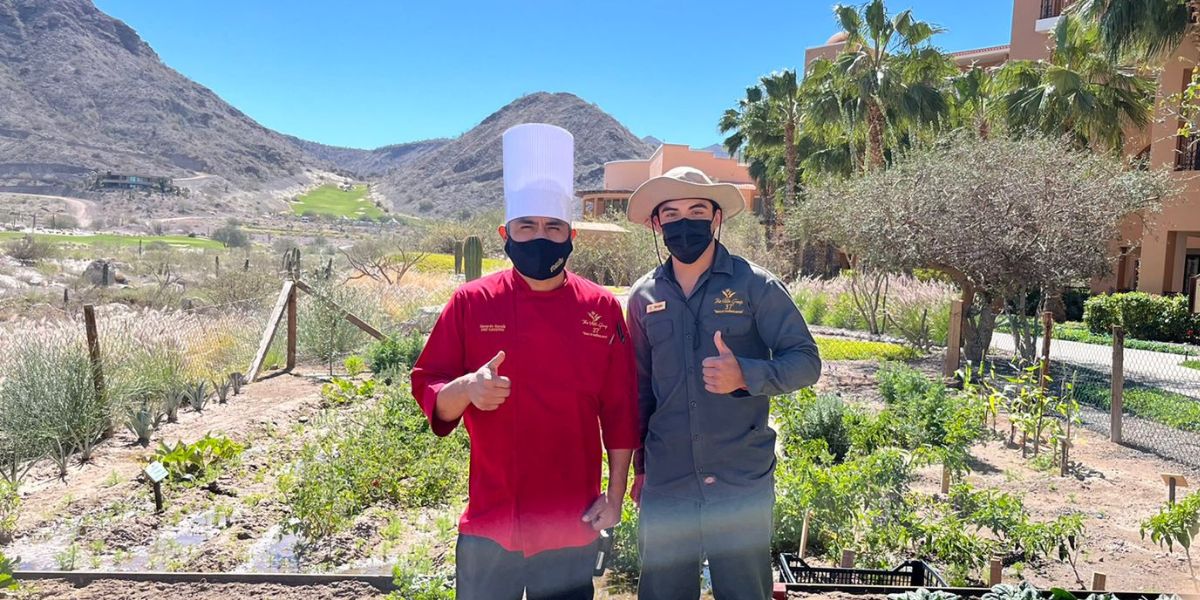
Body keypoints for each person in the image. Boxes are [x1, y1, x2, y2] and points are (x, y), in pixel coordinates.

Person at [411, 123, 639, 600]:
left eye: (553, 227)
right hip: (491, 521)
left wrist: (615, 496)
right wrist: (466, 389)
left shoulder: (600, 309)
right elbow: (428, 383)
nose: (541, 237)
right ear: (505, 234)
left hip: (570, 522)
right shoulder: (472, 303)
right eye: (527, 227)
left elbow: (620, 411)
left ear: (570, 234)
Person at [624, 166, 822, 600]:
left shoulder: (757, 286)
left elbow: (806, 362)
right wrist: (640, 468)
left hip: (739, 480)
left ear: (716, 218)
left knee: (744, 592)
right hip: (668, 479)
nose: (684, 222)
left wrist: (746, 375)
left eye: (697, 210)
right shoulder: (643, 297)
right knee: (662, 593)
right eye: (671, 213)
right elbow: (639, 390)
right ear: (656, 224)